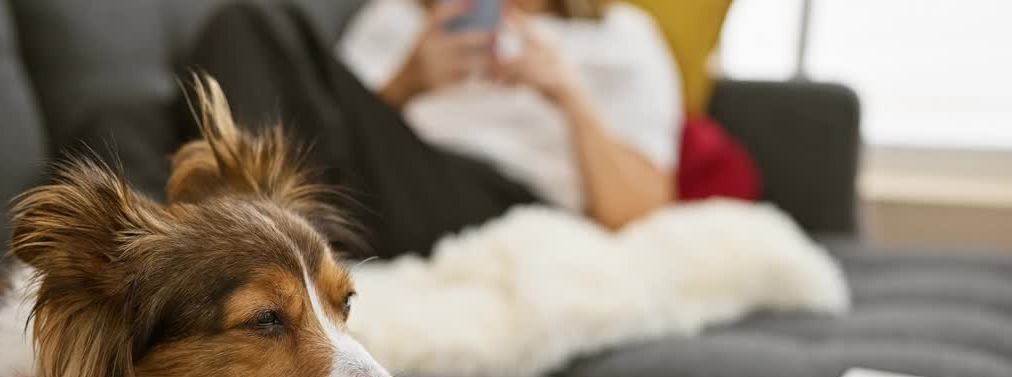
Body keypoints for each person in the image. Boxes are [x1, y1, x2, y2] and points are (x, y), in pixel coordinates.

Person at [170, 0, 681, 258]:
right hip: (376, 189)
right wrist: (408, 82)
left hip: (505, 204)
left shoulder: (620, 36)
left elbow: (639, 210)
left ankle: (238, 248)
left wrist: (568, 94)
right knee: (245, 24)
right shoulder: (401, 16)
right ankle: (243, 246)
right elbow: (326, 128)